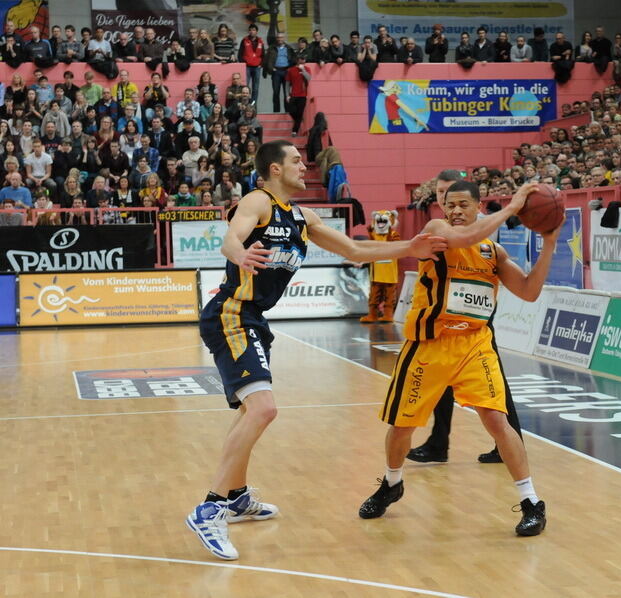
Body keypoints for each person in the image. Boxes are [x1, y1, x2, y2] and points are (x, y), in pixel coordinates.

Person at [186, 139, 447, 561]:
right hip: (231, 312)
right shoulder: (258, 200)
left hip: (254, 318)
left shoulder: (302, 217)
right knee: (264, 409)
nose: (304, 165)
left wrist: (410, 249)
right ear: (273, 169)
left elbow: (356, 250)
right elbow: (229, 239)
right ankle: (210, 507)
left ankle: (235, 495)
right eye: (295, 160)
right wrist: (240, 253)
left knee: (248, 412)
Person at [358, 179, 556, 538]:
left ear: (479, 206)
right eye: (450, 205)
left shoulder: (493, 252)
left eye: (464, 205)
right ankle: (392, 482)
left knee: (497, 420)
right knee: (403, 426)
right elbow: (461, 238)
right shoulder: (437, 231)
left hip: (474, 344)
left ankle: (531, 502)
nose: (455, 211)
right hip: (429, 345)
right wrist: (512, 208)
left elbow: (529, 291)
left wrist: (550, 242)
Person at [407, 169, 526, 465]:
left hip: (475, 317)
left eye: (457, 198)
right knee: (443, 386)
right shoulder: (441, 225)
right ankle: (439, 442)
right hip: (448, 319)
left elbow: (470, 241)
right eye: (443, 196)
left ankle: (509, 442)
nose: (451, 205)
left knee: (494, 386)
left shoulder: (481, 228)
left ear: (476, 203)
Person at [240, 24, 265, 103]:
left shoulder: (260, 41)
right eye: (250, 30)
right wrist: (243, 64)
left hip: (257, 67)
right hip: (247, 67)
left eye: (253, 30)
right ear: (248, 31)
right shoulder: (244, 40)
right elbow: (240, 54)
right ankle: (245, 105)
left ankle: (253, 106)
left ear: (256, 32)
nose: (252, 31)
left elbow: (263, 54)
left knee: (255, 88)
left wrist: (261, 64)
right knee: (245, 88)